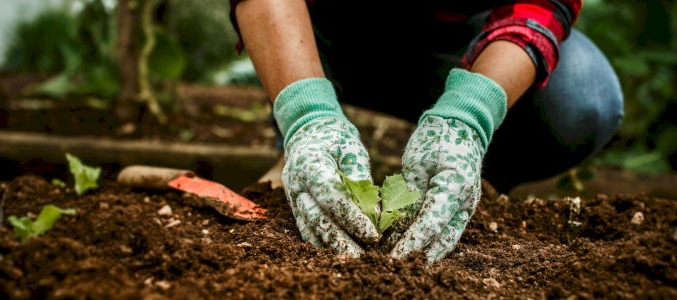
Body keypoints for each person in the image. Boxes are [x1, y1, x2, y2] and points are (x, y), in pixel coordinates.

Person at [229, 0, 623, 263]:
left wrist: (469, 115)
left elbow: (542, 5)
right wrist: (308, 115)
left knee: (583, 93)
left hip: (459, 40)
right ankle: (308, 146)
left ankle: (471, 179)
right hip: (326, 28)